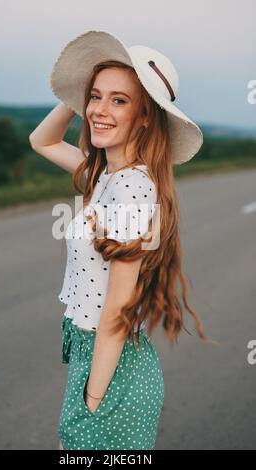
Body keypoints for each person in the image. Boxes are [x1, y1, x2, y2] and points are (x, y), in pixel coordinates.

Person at [29, 30, 207, 451]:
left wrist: (89, 404)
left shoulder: (132, 189)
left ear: (146, 116)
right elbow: (42, 140)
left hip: (113, 375)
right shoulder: (104, 175)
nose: (99, 110)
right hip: (99, 363)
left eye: (120, 100)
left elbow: (118, 312)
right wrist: (81, 97)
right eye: (96, 96)